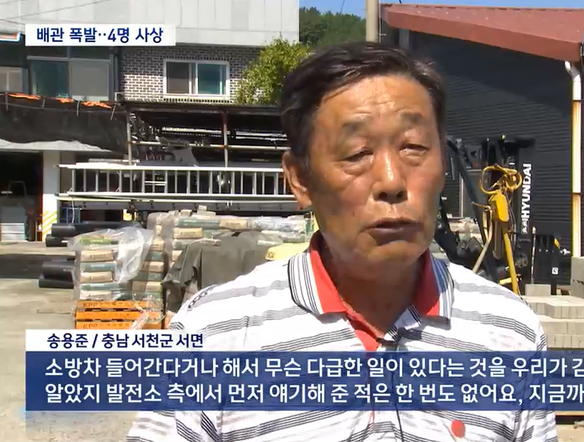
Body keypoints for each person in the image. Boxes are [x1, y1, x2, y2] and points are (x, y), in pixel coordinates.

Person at [126, 42, 557, 441]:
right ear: (300, 178)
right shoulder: (215, 334)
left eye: (413, 147)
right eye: (357, 153)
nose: (391, 181)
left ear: (443, 164)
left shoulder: (510, 333)